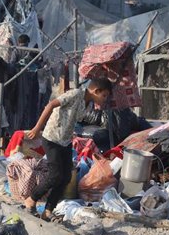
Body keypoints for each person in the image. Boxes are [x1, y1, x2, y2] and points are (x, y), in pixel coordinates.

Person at [24, 78, 112, 221]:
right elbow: (51, 104)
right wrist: (37, 128)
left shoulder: (87, 103)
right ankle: (31, 199)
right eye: (104, 96)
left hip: (65, 141)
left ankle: (48, 210)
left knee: (65, 177)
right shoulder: (76, 93)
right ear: (96, 91)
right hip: (52, 138)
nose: (105, 99)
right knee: (55, 175)